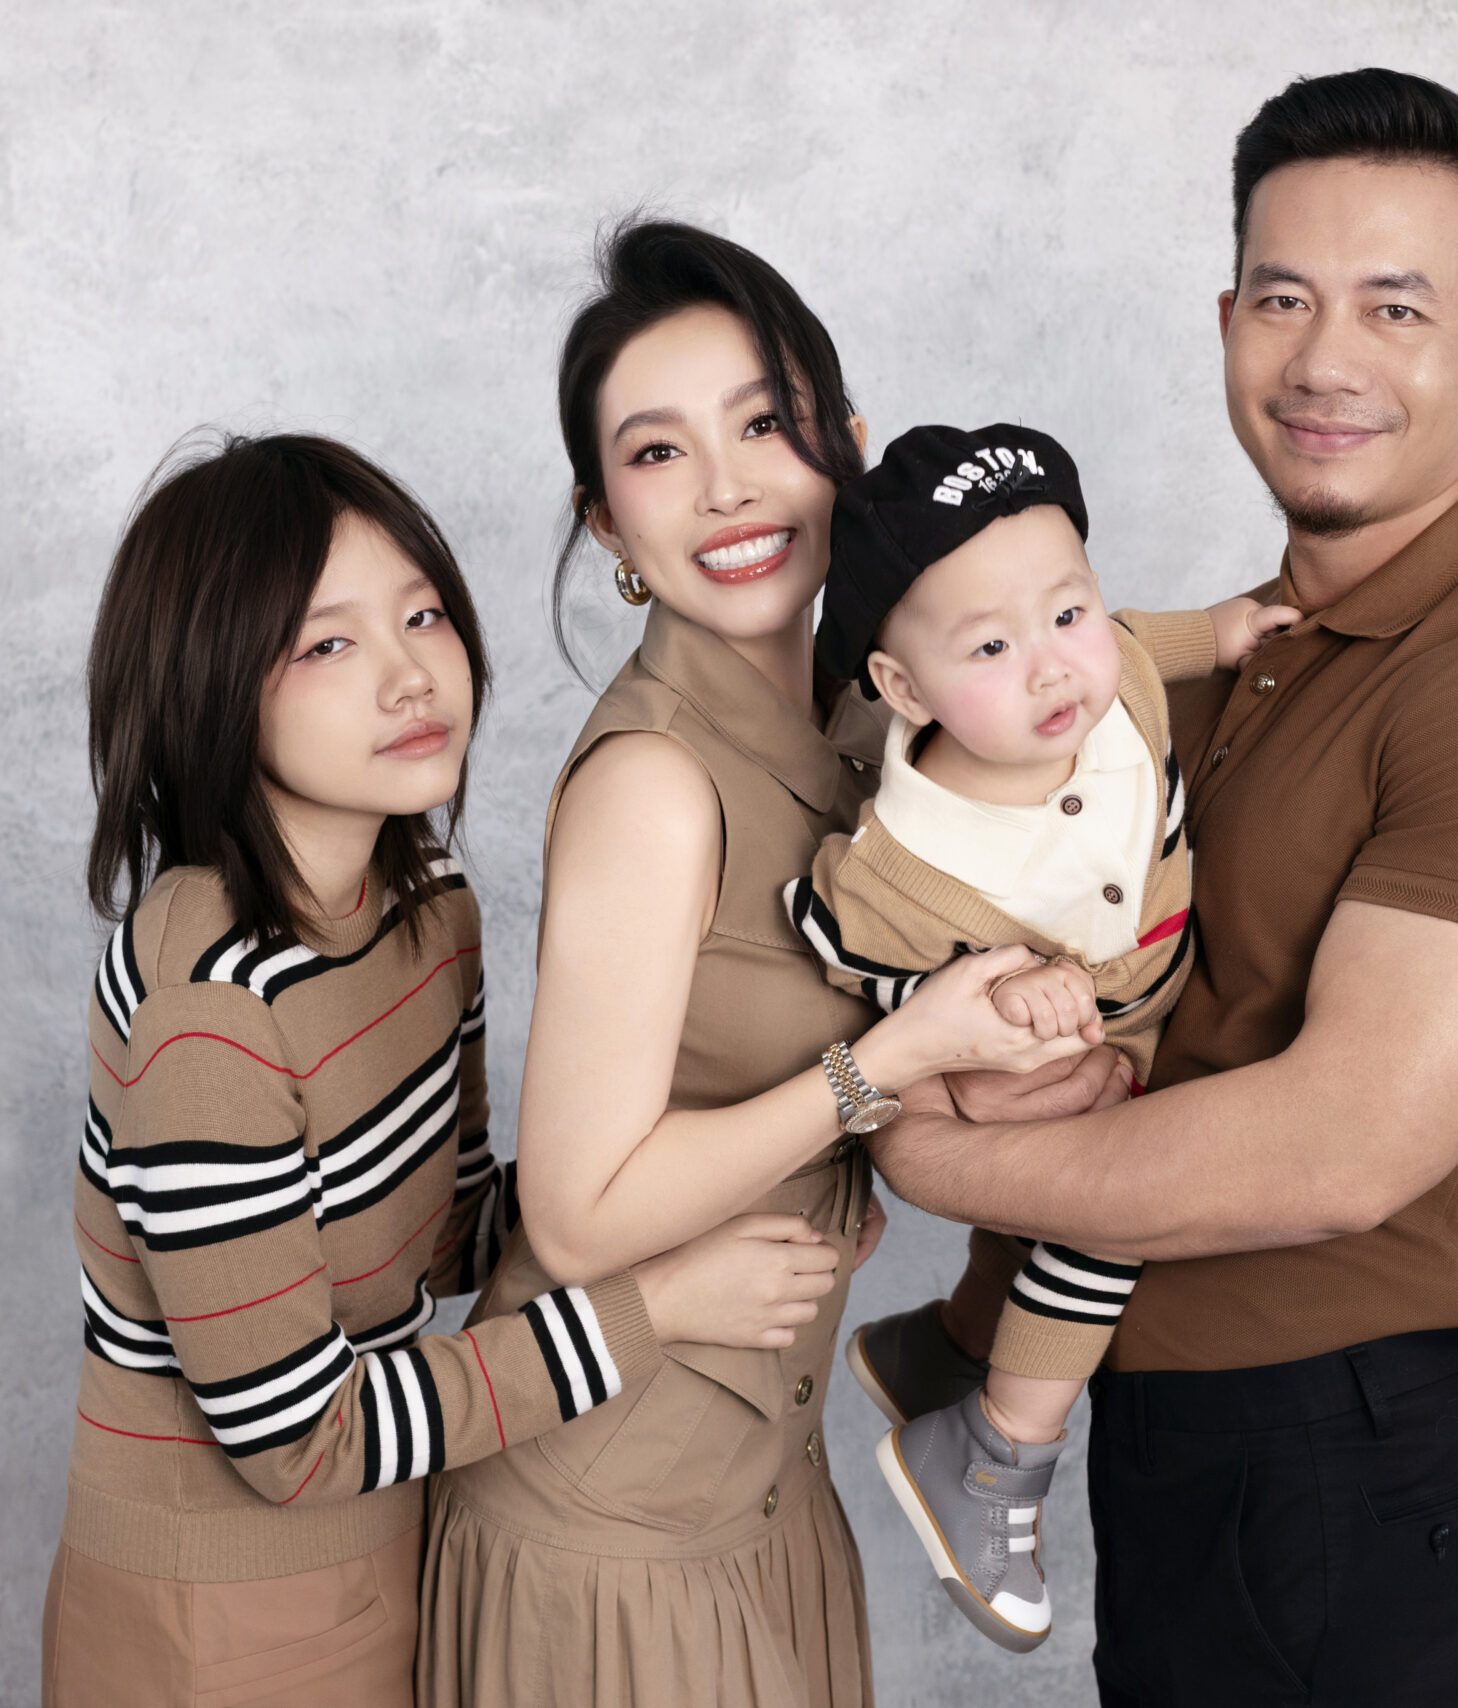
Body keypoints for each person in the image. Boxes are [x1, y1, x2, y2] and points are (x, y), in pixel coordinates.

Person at [858, 69, 1458, 1706]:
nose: (1323, 359)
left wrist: (930, 1149)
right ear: (1227, 320)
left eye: (1397, 307)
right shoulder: (1220, 657)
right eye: (1282, 298)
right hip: (1206, 1450)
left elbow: (1339, 1144)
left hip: (1347, 1470)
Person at [46, 432, 840, 1707]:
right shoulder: (211, 1013)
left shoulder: (428, 916)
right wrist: (656, 1307)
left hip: (389, 1549)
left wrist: (728, 1174)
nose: (410, 674)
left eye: (421, 615)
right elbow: (298, 1442)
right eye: (326, 645)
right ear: (210, 684)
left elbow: (447, 1231)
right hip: (215, 1620)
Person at [415, 223, 1081, 1708]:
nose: (727, 488)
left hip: (764, 1496)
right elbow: (575, 1215)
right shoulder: (656, 784)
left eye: (766, 424)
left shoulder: (876, 723)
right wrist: (881, 1070)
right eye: (659, 454)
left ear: (847, 443)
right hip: (609, 1531)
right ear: (606, 523)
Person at [780, 421, 1296, 1650]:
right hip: (1056, 1078)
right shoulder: (903, 866)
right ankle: (997, 1447)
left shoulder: (1117, 687)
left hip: (1159, 1014)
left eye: (1067, 612)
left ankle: (946, 1345)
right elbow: (863, 977)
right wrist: (991, 1002)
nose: (1053, 667)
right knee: (1114, 1210)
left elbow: (1150, 640)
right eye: (991, 647)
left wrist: (1231, 627)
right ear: (904, 689)